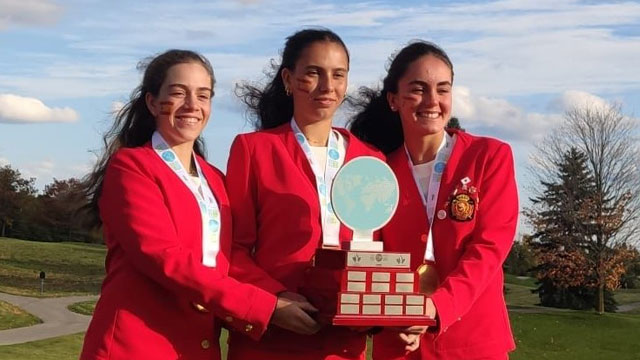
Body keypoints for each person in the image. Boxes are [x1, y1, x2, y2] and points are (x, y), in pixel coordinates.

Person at [79, 49, 318, 360]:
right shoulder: (131, 167)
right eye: (179, 93)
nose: (193, 105)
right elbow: (164, 258)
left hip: (196, 348)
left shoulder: (215, 180)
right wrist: (263, 308)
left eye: (203, 96)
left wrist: (278, 294)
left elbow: (229, 255)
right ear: (152, 102)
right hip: (134, 346)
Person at [225, 28, 418, 360]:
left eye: (338, 75)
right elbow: (233, 250)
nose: (328, 87)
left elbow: (381, 252)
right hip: (274, 338)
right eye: (313, 73)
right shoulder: (254, 150)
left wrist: (393, 314)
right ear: (288, 79)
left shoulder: (371, 161)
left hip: (342, 346)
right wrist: (275, 299)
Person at [350, 41, 518, 360]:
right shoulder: (377, 173)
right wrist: (385, 315)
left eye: (443, 89)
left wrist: (437, 307)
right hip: (400, 346)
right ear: (393, 100)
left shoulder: (489, 157)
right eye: (418, 89)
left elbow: (489, 249)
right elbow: (370, 255)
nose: (432, 100)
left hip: (473, 343)